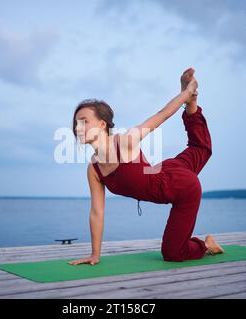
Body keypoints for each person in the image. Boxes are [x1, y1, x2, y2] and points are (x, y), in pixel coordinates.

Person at [68, 68, 224, 266]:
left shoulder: (125, 141)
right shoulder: (94, 169)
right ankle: (193, 104)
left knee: (172, 254)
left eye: (84, 122)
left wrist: (184, 93)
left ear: (101, 125)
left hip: (182, 187)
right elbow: (97, 212)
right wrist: (95, 254)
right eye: (76, 123)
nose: (77, 128)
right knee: (200, 148)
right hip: (165, 171)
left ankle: (206, 246)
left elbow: (163, 114)